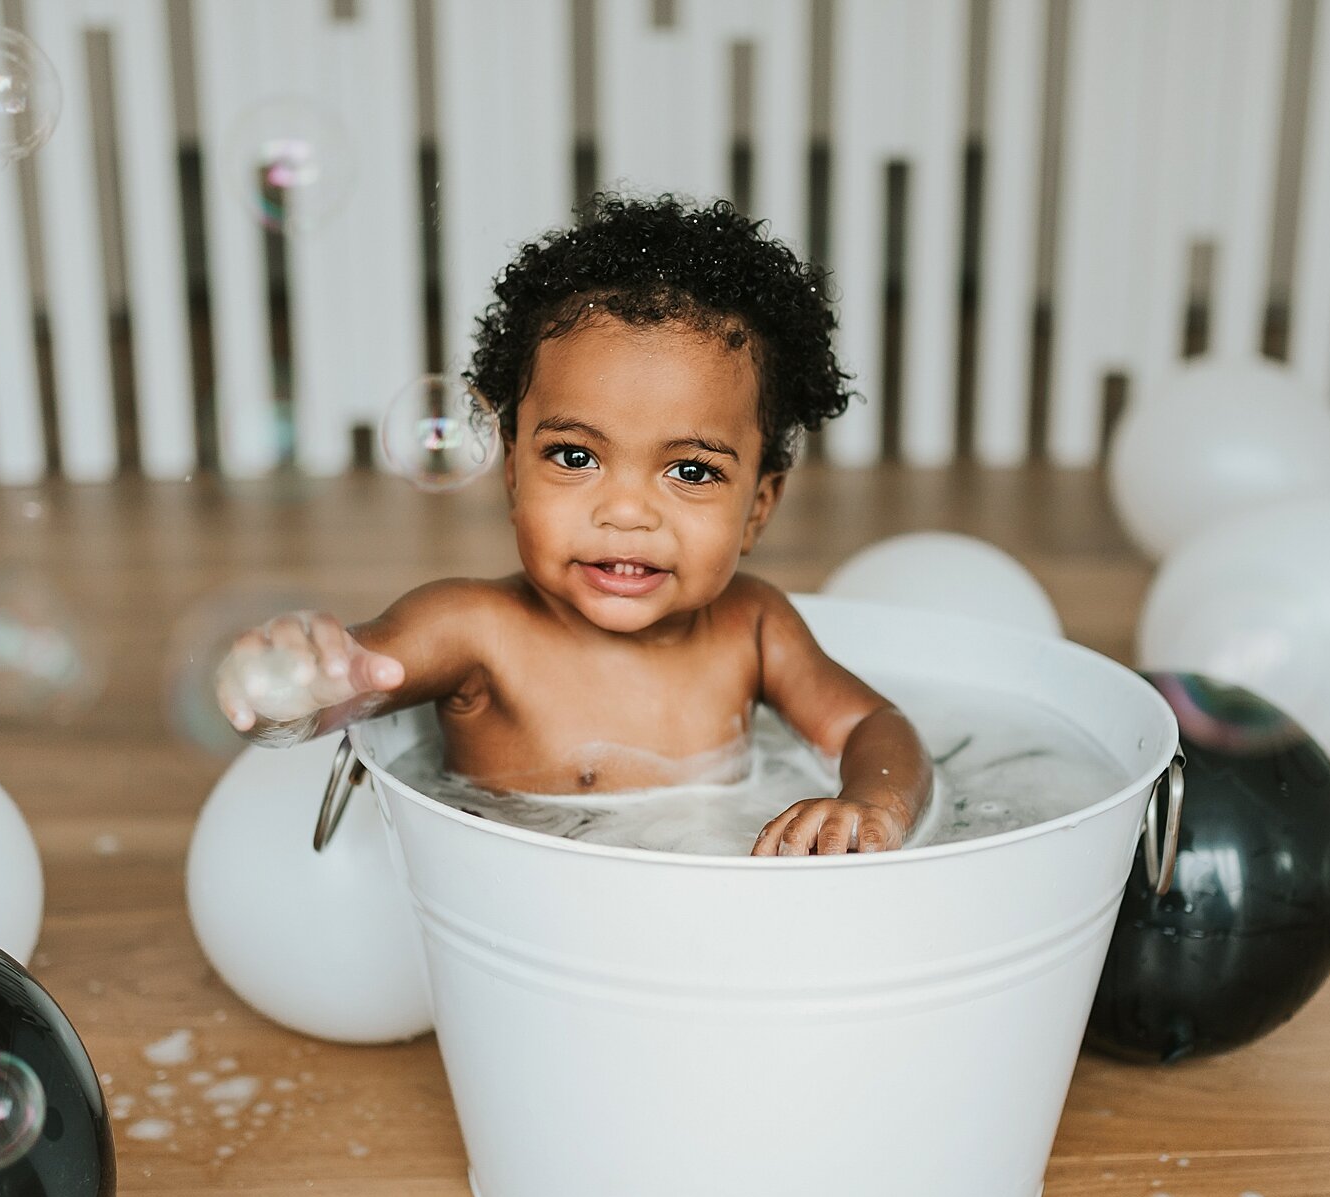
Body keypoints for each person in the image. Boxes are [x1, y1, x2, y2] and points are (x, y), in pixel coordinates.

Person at [217, 195, 931, 856]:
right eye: (574, 455)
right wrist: (289, 683)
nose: (624, 512)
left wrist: (872, 802)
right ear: (511, 473)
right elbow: (344, 685)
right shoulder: (471, 628)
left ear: (760, 507)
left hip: (713, 913)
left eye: (690, 470)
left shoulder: (755, 626)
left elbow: (875, 728)